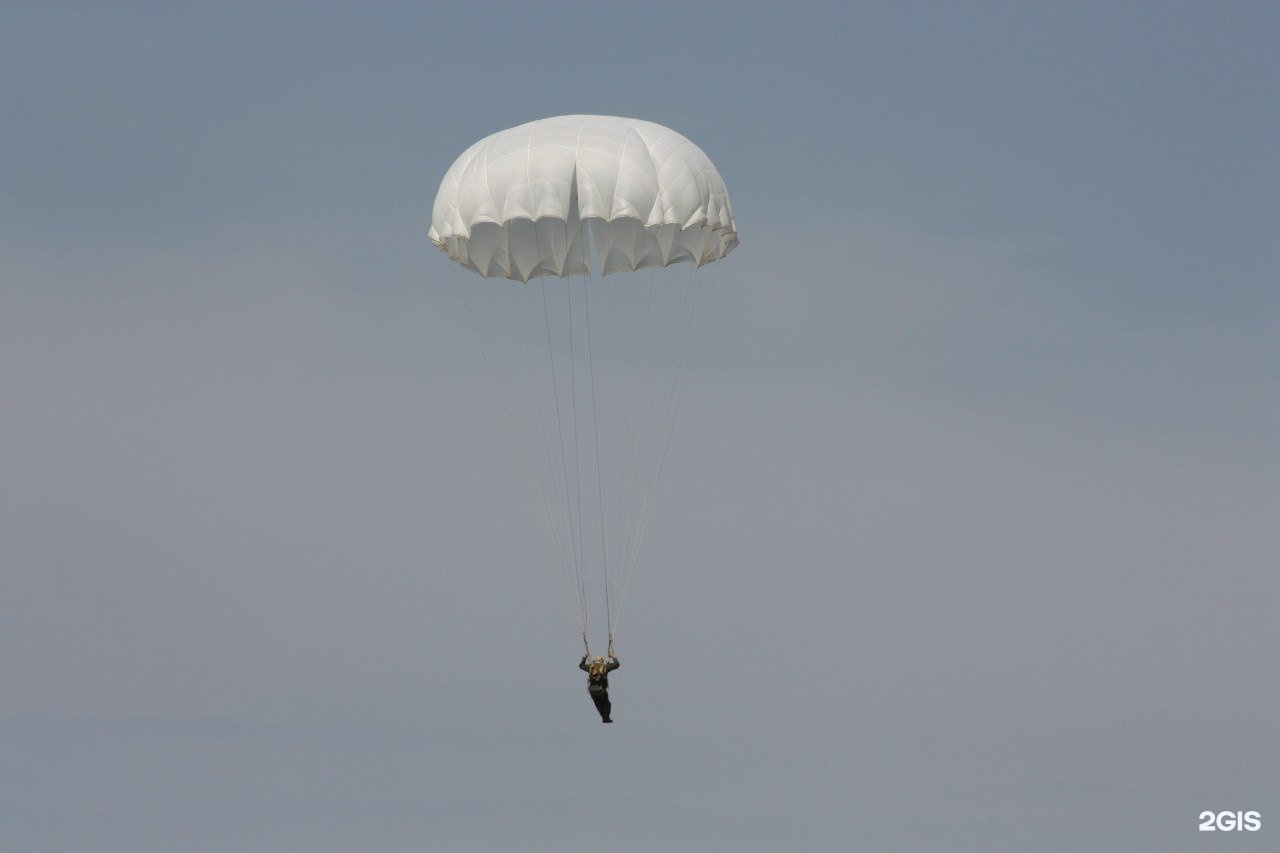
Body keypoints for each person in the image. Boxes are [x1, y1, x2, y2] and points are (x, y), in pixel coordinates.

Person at [579, 654, 620, 723]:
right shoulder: (605, 667)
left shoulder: (590, 667)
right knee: (606, 704)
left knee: (598, 704)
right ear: (601, 661)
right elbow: (617, 664)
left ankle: (604, 718)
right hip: (601, 690)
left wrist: (584, 658)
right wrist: (613, 657)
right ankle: (606, 717)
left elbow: (581, 666)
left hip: (592, 691)